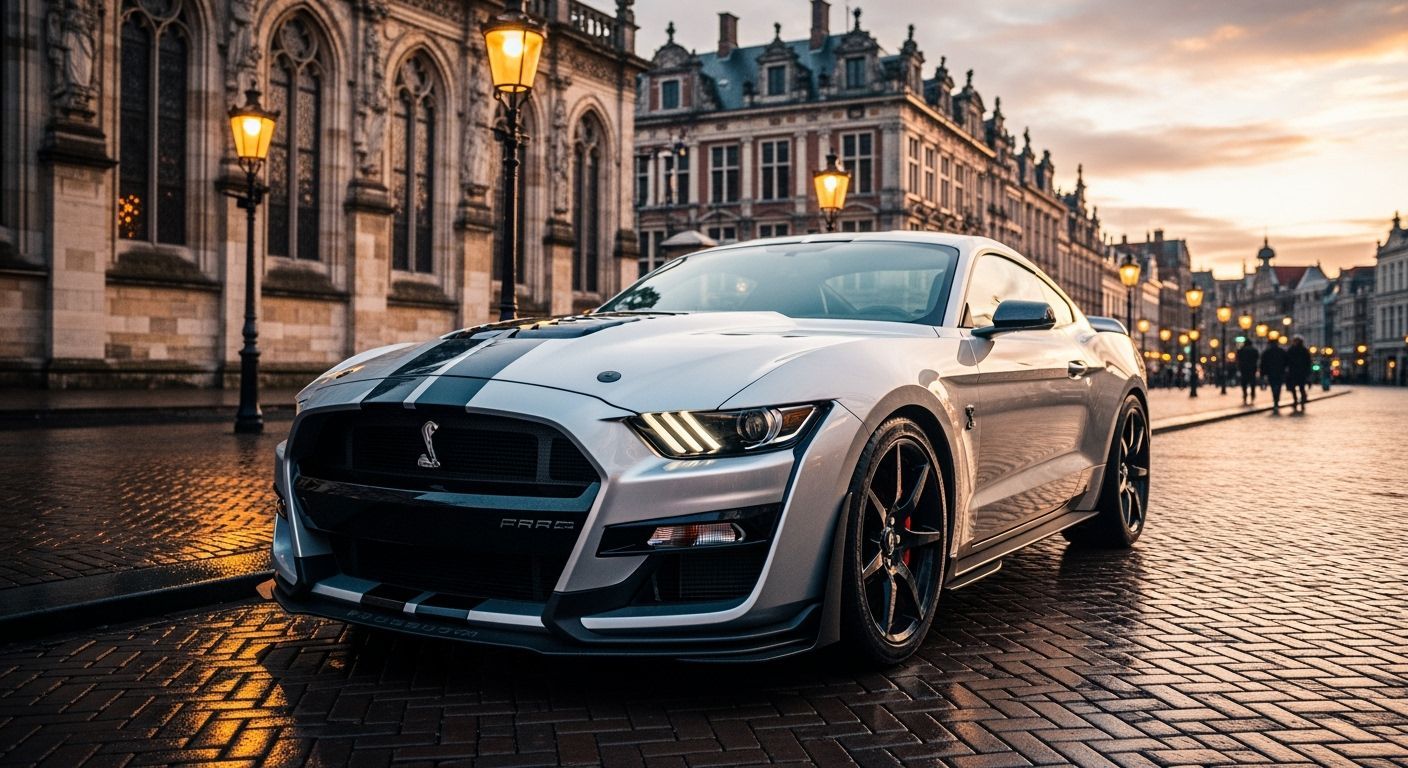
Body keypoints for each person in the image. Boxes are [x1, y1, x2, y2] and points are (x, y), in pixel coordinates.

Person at [1260, 338, 1288, 411]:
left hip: (1271, 372)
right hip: (1280, 372)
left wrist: (1262, 373)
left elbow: (1263, 364)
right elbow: (1286, 361)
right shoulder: (1281, 351)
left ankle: (1275, 400)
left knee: (1273, 386)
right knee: (1278, 386)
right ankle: (1277, 400)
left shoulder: (1267, 352)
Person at [1286, 335, 1312, 412]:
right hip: (1296, 372)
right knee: (1295, 387)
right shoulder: (1302, 350)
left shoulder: (1296, 350)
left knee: (1300, 387)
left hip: (1298, 372)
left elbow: (1308, 362)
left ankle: (1301, 400)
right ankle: (1297, 400)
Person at [1237, 338, 1260, 405]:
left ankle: (1245, 396)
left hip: (1243, 369)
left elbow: (1238, 359)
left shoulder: (1241, 350)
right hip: (1252, 369)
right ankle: (1252, 395)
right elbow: (1257, 358)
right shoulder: (1254, 350)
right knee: (1252, 383)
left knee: (1244, 384)